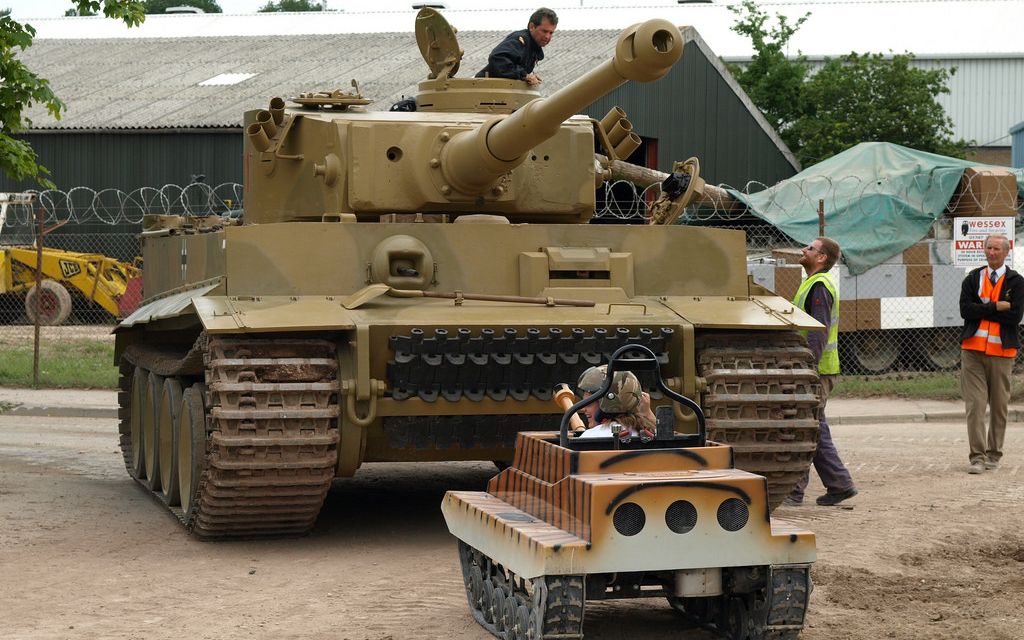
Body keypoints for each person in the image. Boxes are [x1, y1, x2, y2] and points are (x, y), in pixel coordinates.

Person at [785, 237, 858, 507]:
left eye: (810, 248)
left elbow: (818, 331)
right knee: (813, 427)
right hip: (816, 369)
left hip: (817, 370)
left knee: (807, 428)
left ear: (822, 258)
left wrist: (809, 369)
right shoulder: (811, 283)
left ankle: (795, 492)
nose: (804, 250)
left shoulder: (819, 285)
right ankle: (839, 484)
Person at [959, 234, 1024, 474]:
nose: (991, 252)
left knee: (999, 406)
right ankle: (977, 456)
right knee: (975, 405)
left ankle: (994, 455)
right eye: (988, 248)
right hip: (972, 351)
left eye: (996, 248)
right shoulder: (973, 278)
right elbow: (965, 311)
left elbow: (1015, 316)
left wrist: (982, 309)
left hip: (1002, 352)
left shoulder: (1016, 282)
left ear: (1006, 252)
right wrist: (996, 306)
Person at [475, 8, 557, 86]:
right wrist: (524, 75)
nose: (547, 36)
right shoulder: (520, 41)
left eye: (551, 33)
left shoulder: (533, 48)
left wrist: (527, 76)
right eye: (544, 31)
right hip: (484, 89)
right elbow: (497, 57)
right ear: (532, 27)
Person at [575, 365, 656, 440]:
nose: (583, 409)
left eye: (588, 403)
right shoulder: (651, 434)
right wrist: (648, 413)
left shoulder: (590, 436)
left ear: (609, 402)